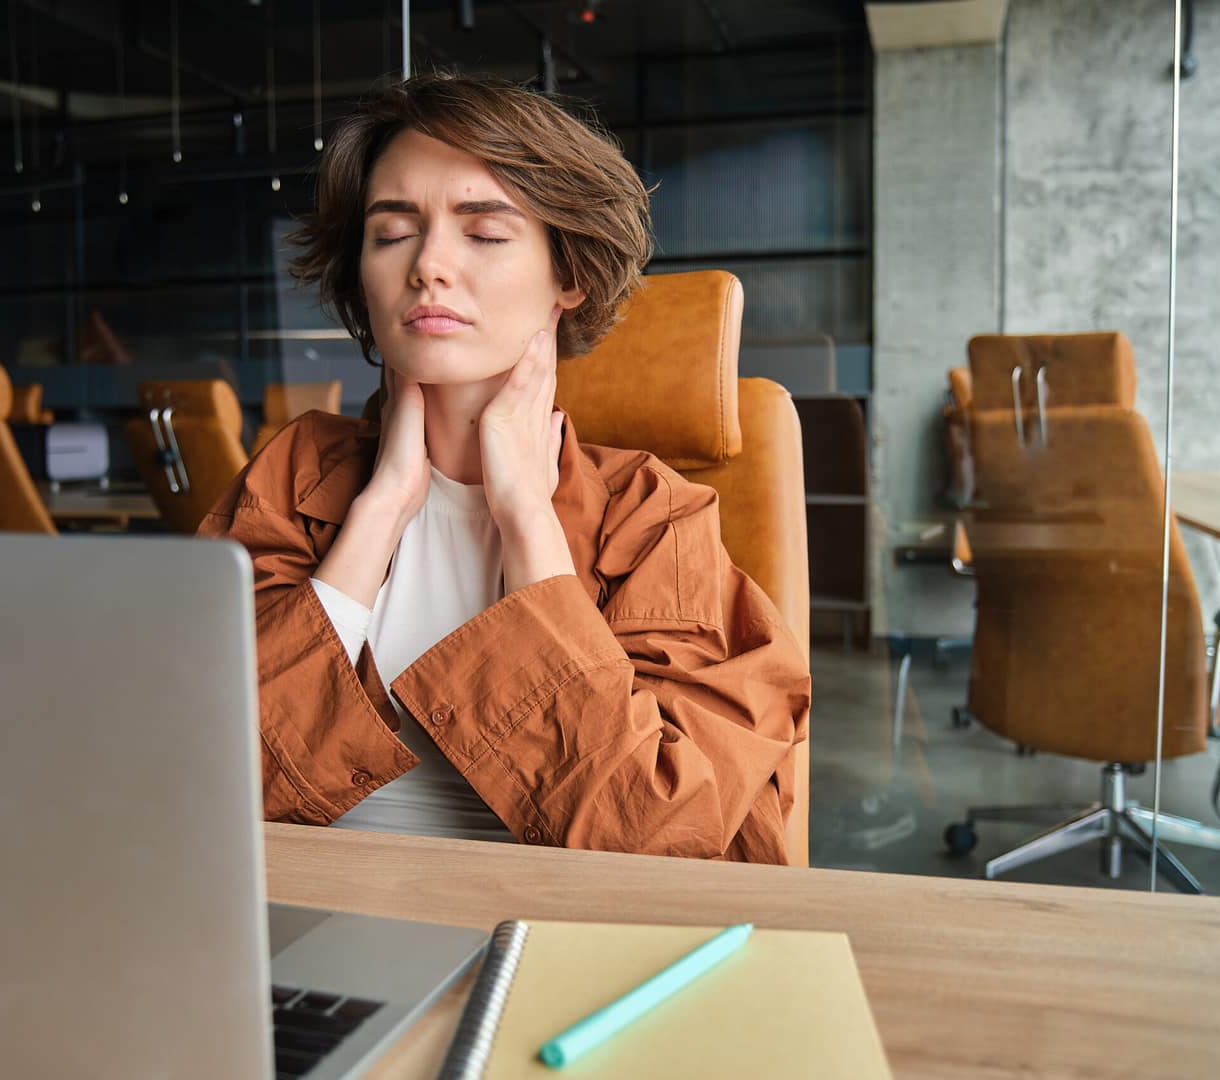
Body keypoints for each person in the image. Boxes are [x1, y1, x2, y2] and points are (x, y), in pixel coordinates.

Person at [198, 72, 810, 863]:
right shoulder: (296, 475)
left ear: (569, 276)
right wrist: (380, 509)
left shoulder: (652, 518)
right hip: (302, 911)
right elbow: (194, 776)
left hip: (544, 922)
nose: (428, 265)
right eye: (392, 233)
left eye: (484, 233)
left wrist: (526, 520)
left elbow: (654, 845)